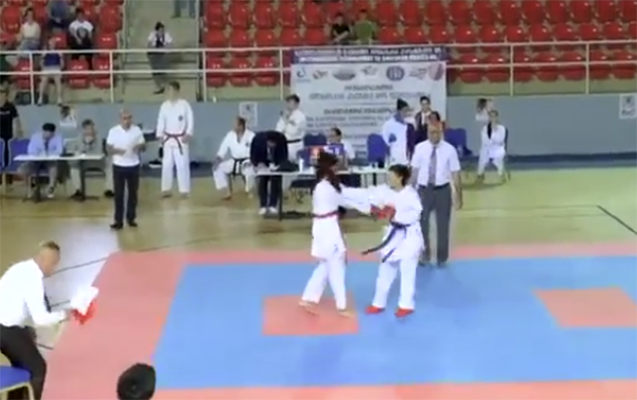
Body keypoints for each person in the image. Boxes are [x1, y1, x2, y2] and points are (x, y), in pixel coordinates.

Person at [0, 241, 68, 400]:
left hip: (6, 326)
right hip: (6, 330)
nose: (54, 270)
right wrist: (64, 315)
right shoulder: (33, 278)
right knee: (38, 370)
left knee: (23, 364)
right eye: (53, 264)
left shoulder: (21, 268)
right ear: (45, 259)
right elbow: (40, 319)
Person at [353, 165, 423, 318]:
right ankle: (378, 303)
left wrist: (395, 215)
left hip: (409, 236)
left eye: (391, 176)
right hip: (393, 234)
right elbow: (372, 201)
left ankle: (406, 305)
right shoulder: (386, 192)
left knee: (407, 271)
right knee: (385, 269)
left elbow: (416, 214)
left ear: (400, 177)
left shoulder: (411, 194)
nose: (388, 179)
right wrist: (375, 210)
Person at [300, 152, 353, 317]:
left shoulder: (322, 186)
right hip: (328, 228)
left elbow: (345, 196)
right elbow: (346, 200)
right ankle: (341, 306)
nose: (337, 170)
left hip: (322, 226)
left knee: (325, 264)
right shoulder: (327, 188)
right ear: (329, 168)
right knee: (337, 265)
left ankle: (308, 298)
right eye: (335, 167)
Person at [410, 124, 462, 267]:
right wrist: (409, 192)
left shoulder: (450, 150)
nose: (434, 135)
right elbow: (414, 172)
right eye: (431, 133)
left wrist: (458, 195)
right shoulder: (419, 148)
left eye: (437, 132)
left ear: (441, 133)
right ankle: (424, 254)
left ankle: (442, 258)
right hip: (424, 190)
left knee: (443, 225)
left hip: (442, 190)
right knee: (422, 224)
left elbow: (455, 173)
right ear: (427, 133)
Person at [107, 109, 145, 230]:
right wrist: (117, 151)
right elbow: (108, 149)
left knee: (133, 194)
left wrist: (138, 147)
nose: (127, 121)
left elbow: (143, 146)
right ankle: (118, 220)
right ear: (120, 119)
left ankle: (131, 218)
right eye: (124, 118)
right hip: (119, 165)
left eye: (129, 118)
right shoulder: (113, 131)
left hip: (133, 165)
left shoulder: (137, 130)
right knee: (119, 194)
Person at [156, 81, 193, 198]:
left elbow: (190, 120)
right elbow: (161, 121)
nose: (169, 93)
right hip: (167, 139)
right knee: (166, 165)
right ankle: (166, 189)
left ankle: (184, 190)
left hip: (180, 139)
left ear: (177, 91)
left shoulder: (184, 105)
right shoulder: (164, 106)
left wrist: (188, 133)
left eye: (171, 90)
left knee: (182, 165)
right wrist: (160, 135)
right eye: (168, 90)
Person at [67, 119, 113, 199]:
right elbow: (77, 151)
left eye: (91, 128)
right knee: (74, 167)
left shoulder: (98, 138)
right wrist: (86, 144)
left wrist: (90, 143)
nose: (89, 131)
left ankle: (109, 189)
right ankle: (77, 190)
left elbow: (98, 152)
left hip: (98, 162)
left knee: (110, 163)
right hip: (85, 162)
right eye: (87, 129)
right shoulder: (78, 139)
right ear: (83, 130)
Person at [212, 116, 255, 199]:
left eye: (235, 125)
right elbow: (223, 148)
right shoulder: (230, 135)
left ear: (241, 126)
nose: (233, 127)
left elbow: (256, 151)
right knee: (217, 168)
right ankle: (226, 191)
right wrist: (217, 160)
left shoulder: (251, 136)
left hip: (248, 161)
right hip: (234, 161)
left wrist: (252, 161)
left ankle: (249, 190)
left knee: (250, 171)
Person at [250, 130, 288, 215]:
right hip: (262, 164)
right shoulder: (258, 140)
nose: (273, 146)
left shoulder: (281, 140)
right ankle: (263, 205)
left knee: (276, 180)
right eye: (271, 144)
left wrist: (279, 166)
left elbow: (284, 156)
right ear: (267, 142)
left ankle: (273, 205)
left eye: (275, 144)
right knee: (263, 180)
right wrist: (257, 164)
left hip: (275, 165)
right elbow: (253, 155)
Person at [21, 123, 63, 199]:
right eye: (46, 133)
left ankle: (51, 188)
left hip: (49, 161)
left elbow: (59, 151)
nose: (48, 135)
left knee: (54, 167)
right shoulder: (35, 137)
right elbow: (30, 150)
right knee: (22, 170)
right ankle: (31, 188)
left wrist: (49, 154)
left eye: (50, 134)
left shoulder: (58, 138)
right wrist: (40, 154)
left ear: (53, 133)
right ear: (43, 131)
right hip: (35, 161)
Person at [476, 109, 508, 183]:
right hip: (487, 149)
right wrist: (493, 140)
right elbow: (485, 141)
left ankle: (501, 174)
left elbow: (501, 140)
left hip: (498, 149)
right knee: (483, 156)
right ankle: (480, 174)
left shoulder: (502, 128)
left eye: (494, 116)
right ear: (489, 118)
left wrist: (492, 139)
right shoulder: (485, 129)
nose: (493, 118)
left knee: (499, 158)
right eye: (491, 116)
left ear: (497, 117)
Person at [275, 94, 306, 161]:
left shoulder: (300, 116)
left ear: (296, 104)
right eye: (288, 102)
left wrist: (287, 120)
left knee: (296, 163)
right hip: (285, 144)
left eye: (291, 102)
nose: (288, 105)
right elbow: (278, 130)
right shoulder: (285, 115)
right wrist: (285, 119)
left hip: (296, 144)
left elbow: (293, 131)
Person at [381, 98, 411, 165]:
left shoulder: (408, 124)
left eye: (407, 111)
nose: (406, 113)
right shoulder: (388, 125)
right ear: (398, 111)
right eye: (404, 111)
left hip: (406, 158)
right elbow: (385, 142)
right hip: (394, 157)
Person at [147, 22, 173, 94]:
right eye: (160, 30)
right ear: (157, 30)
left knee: (162, 70)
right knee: (155, 71)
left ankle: (165, 85)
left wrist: (164, 48)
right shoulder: (152, 34)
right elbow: (149, 45)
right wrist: (155, 49)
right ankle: (159, 86)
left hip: (162, 54)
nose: (162, 32)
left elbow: (171, 45)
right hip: (153, 54)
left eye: (163, 30)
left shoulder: (166, 35)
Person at [0, 89, 21, 175]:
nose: (1, 97)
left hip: (8, 132)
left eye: (3, 95)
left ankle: (6, 166)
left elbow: (16, 120)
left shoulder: (10, 107)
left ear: (6, 96)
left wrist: (17, 131)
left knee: (7, 148)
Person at [37, 37, 64, 106]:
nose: (52, 43)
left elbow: (62, 66)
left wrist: (61, 57)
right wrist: (43, 57)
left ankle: (59, 99)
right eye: (51, 42)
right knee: (43, 81)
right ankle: (40, 98)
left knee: (58, 81)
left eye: (53, 42)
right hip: (46, 68)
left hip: (56, 68)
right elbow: (41, 65)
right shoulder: (45, 52)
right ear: (48, 43)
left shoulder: (58, 52)